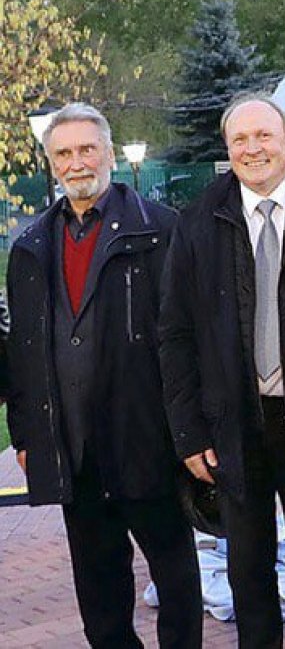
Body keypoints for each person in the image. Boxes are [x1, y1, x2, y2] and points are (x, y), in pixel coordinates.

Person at [5, 102, 203, 647]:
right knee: (99, 595)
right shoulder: (30, 246)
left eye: (86, 149)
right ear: (50, 163)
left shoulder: (160, 231)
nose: (76, 162)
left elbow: (187, 342)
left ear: (110, 153)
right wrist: (26, 434)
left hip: (148, 441)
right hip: (75, 449)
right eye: (62, 153)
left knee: (177, 580)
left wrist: (188, 431)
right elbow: (24, 351)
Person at [159, 95, 285, 647]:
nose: (253, 148)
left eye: (264, 136)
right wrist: (189, 430)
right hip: (233, 419)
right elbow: (175, 332)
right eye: (240, 140)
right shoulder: (197, 221)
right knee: (247, 566)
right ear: (228, 150)